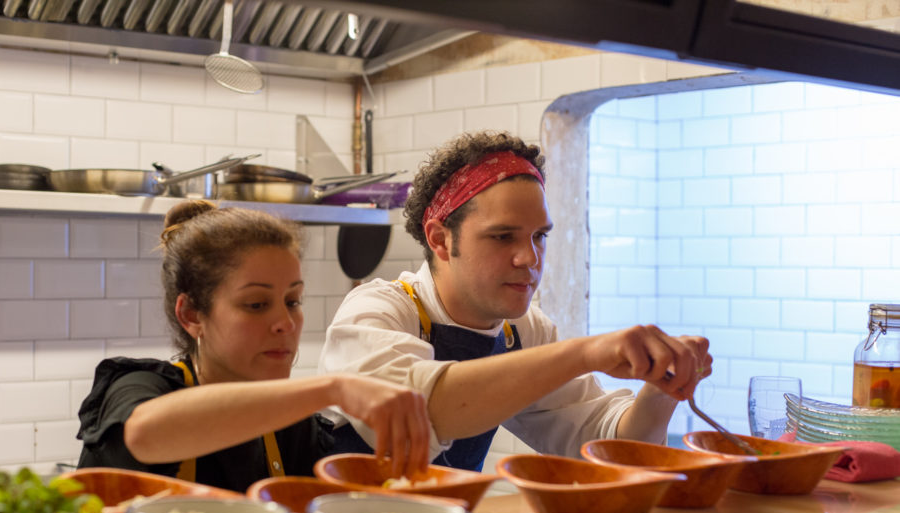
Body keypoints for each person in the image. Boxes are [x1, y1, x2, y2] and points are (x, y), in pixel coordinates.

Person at [319, 131, 712, 472]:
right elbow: (423, 410)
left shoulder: (522, 332)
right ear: (440, 239)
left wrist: (662, 389)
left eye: (540, 235)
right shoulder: (376, 311)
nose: (530, 259)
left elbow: (607, 446)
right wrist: (585, 353)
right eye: (503, 237)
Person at [76, 200, 430, 492]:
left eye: (292, 301)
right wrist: (334, 387)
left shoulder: (291, 427)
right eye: (257, 304)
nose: (286, 323)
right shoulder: (137, 388)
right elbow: (145, 435)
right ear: (192, 314)